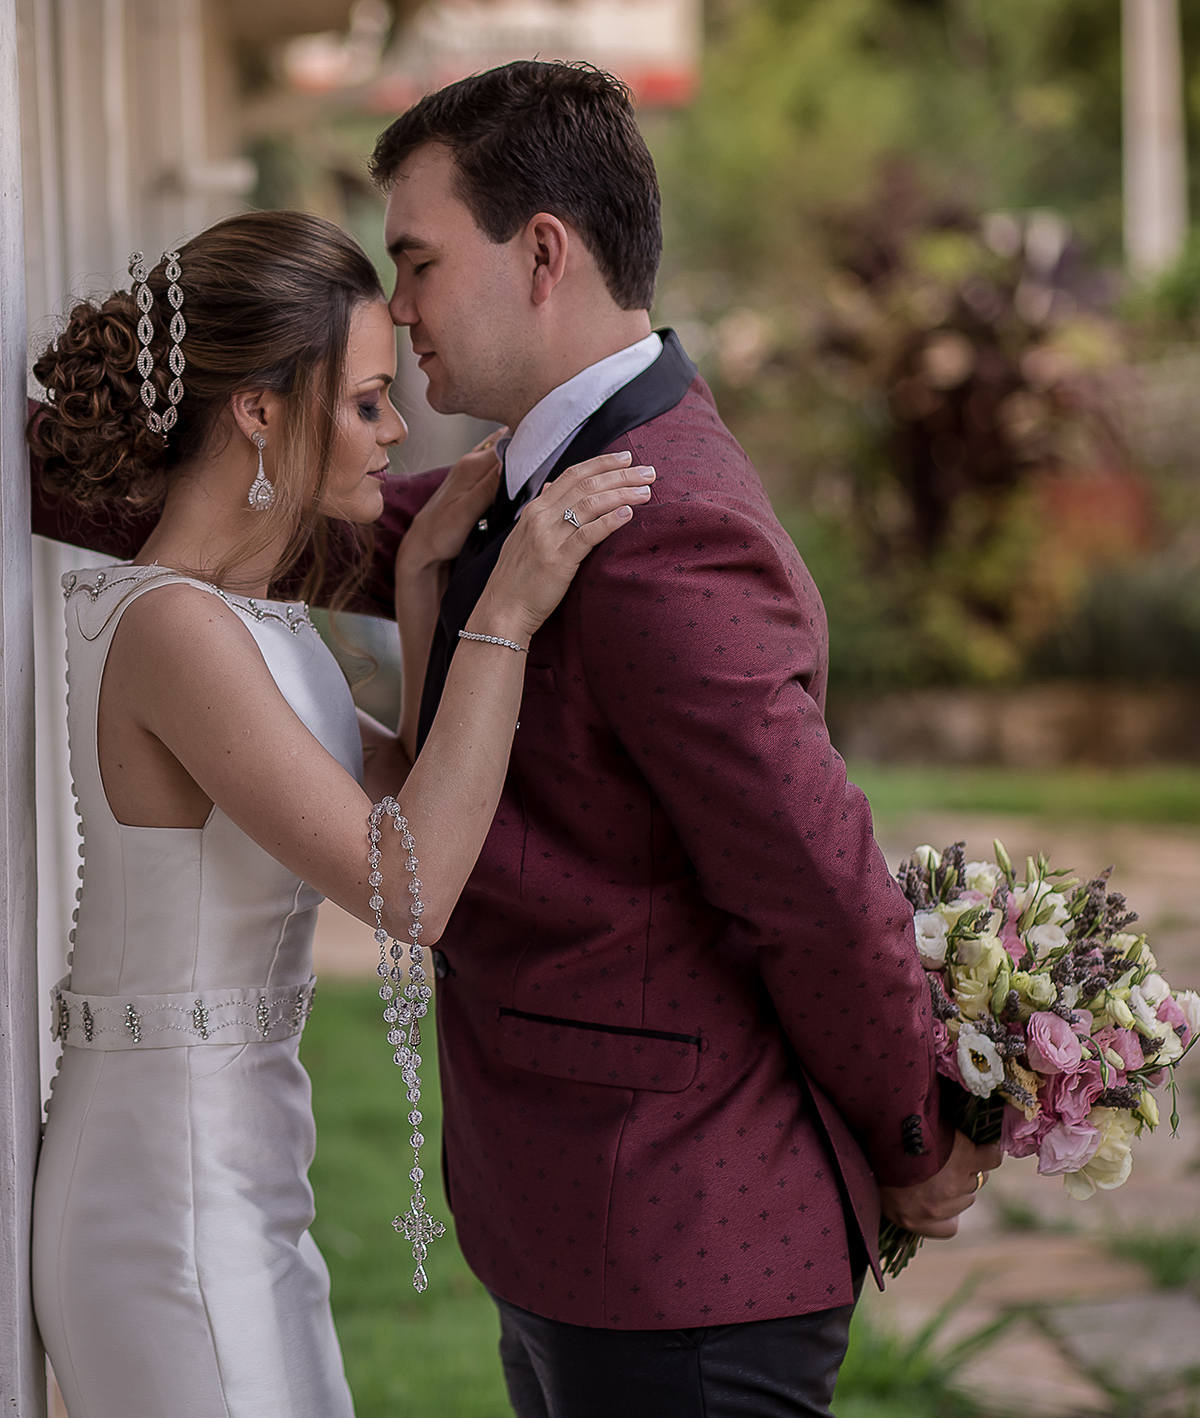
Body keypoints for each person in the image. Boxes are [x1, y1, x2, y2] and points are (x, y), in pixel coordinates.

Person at [31, 63, 1000, 1418]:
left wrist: (915, 1125)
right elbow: (239, 513)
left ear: (542, 254)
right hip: (553, 1220)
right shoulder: (503, 489)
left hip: (682, 1245)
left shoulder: (663, 519)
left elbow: (815, 882)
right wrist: (93, 431)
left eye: (418, 262)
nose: (400, 306)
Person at [25, 208, 652, 1418]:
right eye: (367, 401)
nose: (397, 428)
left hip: (237, 1165)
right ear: (260, 410)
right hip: (170, 1195)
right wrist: (504, 614)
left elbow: (408, 794)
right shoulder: (172, 626)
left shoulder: (245, 619)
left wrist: (418, 586)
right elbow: (409, 884)